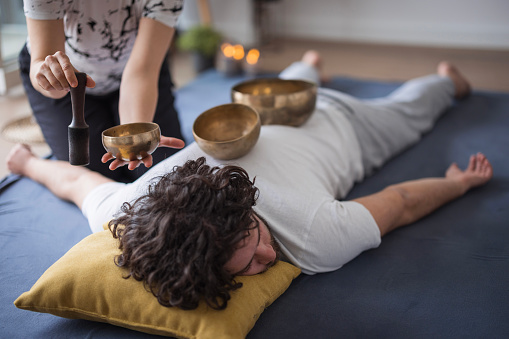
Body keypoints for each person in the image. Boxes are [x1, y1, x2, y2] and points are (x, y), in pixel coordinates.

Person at [7, 51, 493, 311]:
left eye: (256, 241)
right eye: (249, 267)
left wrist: (457, 184)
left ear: (244, 208)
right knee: (286, 86)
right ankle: (309, 65)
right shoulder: (131, 209)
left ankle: (449, 80)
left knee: (411, 111)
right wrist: (25, 163)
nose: (268, 258)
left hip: (341, 122)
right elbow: (75, 183)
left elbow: (402, 201)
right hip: (252, 108)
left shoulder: (315, 236)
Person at [19, 0, 186, 183]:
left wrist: (133, 138)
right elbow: (43, 61)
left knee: (163, 175)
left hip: (138, 71)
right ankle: (27, 162)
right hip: (72, 88)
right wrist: (52, 80)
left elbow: (143, 71)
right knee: (95, 177)